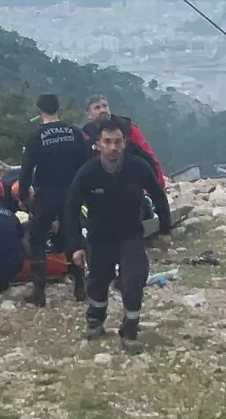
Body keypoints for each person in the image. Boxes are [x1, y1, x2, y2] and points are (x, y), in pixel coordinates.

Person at [63, 119, 171, 350]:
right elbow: (70, 210)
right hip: (99, 238)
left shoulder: (138, 167)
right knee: (98, 283)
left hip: (130, 236)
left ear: (124, 144)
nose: (113, 147)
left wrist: (164, 229)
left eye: (118, 142)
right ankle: (95, 321)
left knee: (133, 281)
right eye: (107, 142)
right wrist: (75, 246)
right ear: (97, 145)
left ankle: (130, 331)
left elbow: (158, 196)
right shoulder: (87, 173)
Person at [18, 93, 91, 306]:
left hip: (46, 195)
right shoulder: (75, 133)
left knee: (37, 240)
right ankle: (79, 286)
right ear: (58, 108)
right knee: (73, 237)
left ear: (39, 110)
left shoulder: (36, 137)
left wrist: (23, 196)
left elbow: (26, 172)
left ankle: (39, 293)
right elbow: (85, 166)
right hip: (71, 194)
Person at [81, 94, 165, 189]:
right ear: (89, 114)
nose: (103, 110)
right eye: (97, 108)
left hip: (135, 182)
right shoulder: (85, 136)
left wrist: (159, 183)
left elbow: (149, 155)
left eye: (105, 106)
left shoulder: (128, 128)